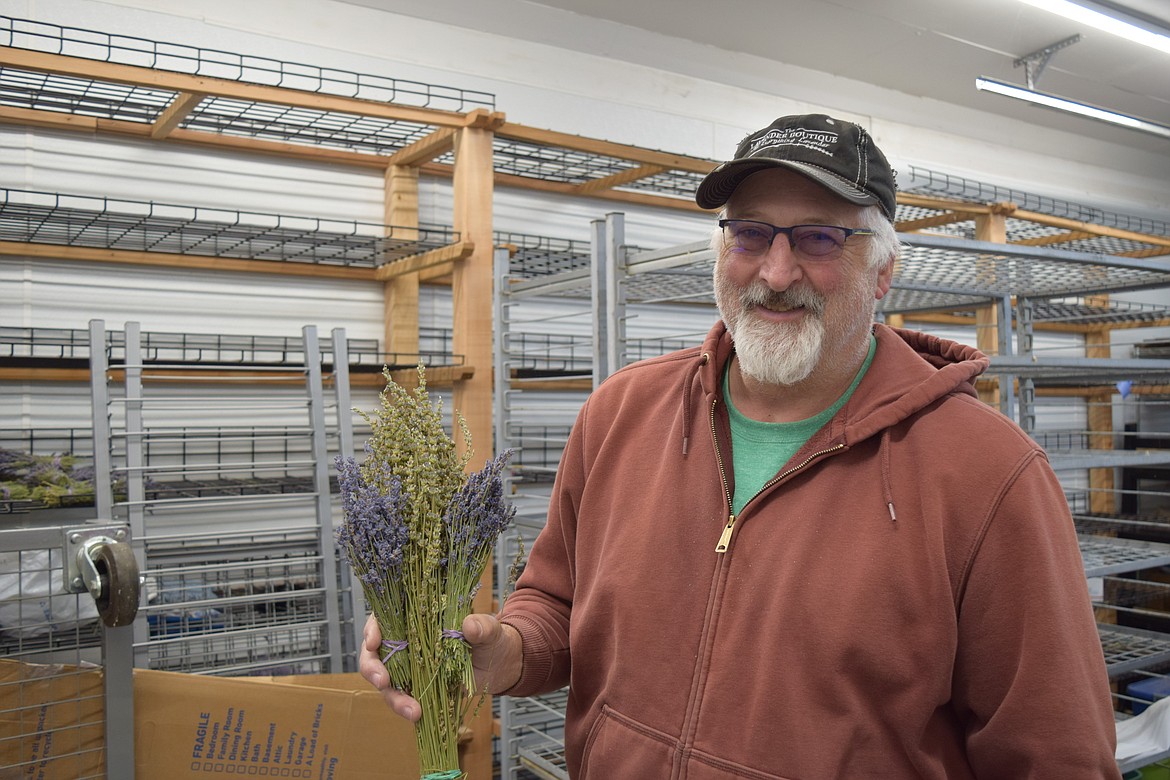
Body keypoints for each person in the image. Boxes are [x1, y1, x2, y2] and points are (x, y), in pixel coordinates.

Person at [361, 113, 1121, 778]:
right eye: (751, 233)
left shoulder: (988, 474)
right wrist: (505, 653)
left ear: (883, 270)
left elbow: (1053, 756)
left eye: (820, 238)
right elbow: (556, 600)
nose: (777, 271)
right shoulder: (621, 413)